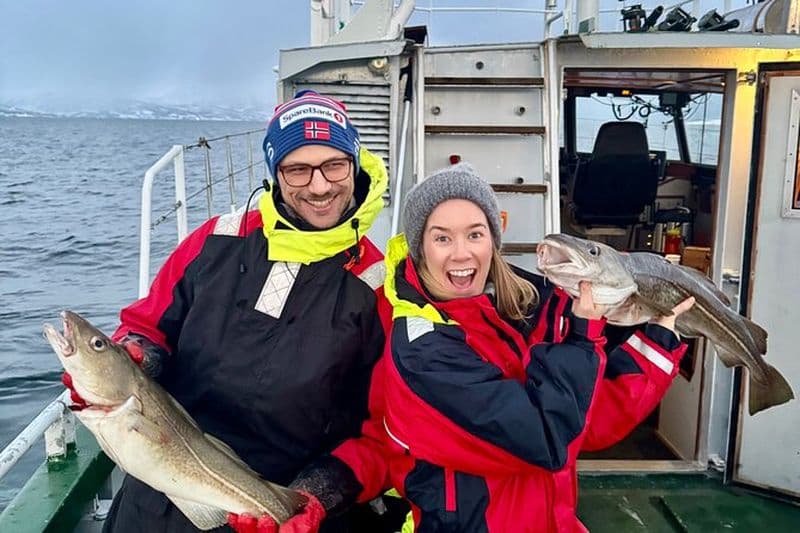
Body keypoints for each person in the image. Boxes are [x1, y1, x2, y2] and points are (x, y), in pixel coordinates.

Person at [63, 90, 395, 532]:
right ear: (276, 173)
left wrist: (315, 496)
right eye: (297, 169)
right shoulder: (216, 239)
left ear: (354, 164)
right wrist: (135, 355)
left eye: (334, 165)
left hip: (281, 512)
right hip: (158, 494)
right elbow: (149, 327)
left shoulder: (379, 288)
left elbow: (387, 432)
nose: (319, 186)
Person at [377, 162, 694, 532]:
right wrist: (581, 336)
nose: (461, 253)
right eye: (442, 238)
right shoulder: (423, 350)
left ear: (495, 239)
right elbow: (544, 437)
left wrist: (658, 338)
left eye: (475, 235)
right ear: (419, 249)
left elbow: (585, 423)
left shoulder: (510, 316)